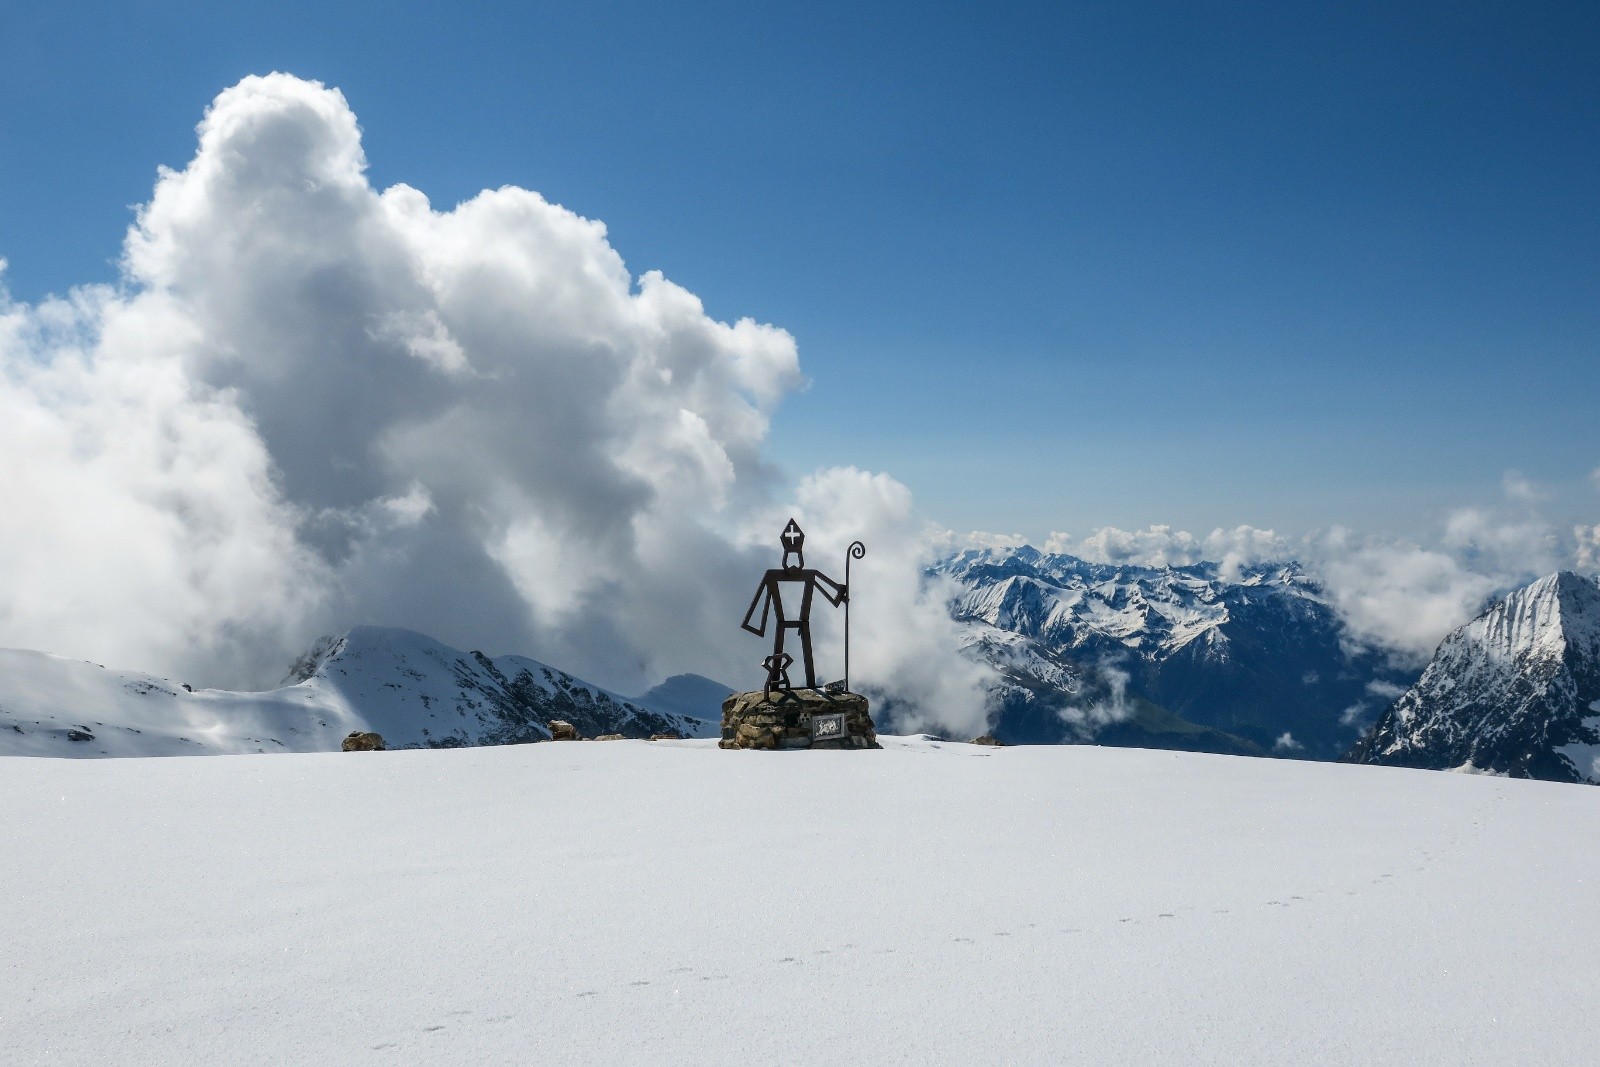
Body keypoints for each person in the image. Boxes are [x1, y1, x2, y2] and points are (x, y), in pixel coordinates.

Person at [740, 519, 847, 691]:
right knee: (787, 650)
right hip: (788, 623)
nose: (794, 563)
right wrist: (839, 593)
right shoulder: (776, 575)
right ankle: (786, 682)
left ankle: (795, 684)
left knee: (802, 653)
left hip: (802, 623)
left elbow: (832, 590)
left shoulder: (792, 575)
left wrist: (840, 592)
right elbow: (832, 591)